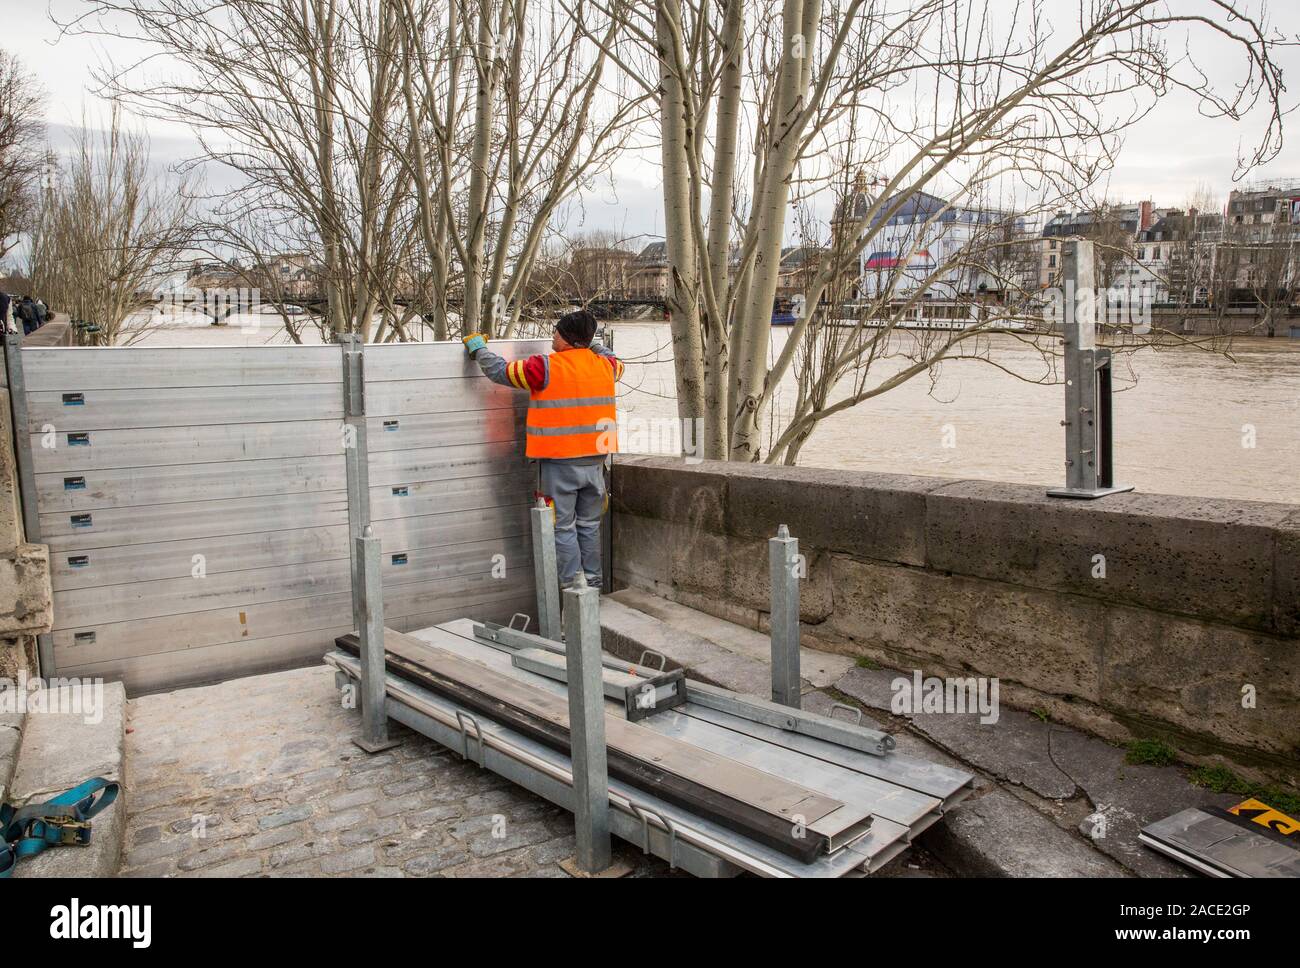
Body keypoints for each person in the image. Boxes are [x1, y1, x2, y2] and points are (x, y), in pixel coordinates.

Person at [463, 310, 624, 589]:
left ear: (567, 339)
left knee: (561, 528)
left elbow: (501, 372)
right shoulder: (607, 367)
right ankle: (594, 588)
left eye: (557, 331)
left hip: (559, 465)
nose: (553, 336)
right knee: (588, 527)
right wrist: (592, 344)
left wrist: (479, 349)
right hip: (596, 465)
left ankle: (573, 593)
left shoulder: (544, 368)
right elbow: (614, 357)